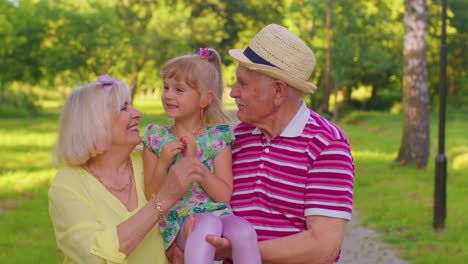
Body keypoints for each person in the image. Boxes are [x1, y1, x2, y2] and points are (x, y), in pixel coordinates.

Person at [205, 24, 355, 263]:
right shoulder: (238, 137)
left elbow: (322, 246)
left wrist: (237, 251)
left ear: (278, 91)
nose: (233, 92)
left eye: (242, 84)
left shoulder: (326, 144)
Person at [48, 74, 205, 263]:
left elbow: (191, 215)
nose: (137, 113)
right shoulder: (68, 184)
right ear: (95, 122)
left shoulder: (151, 158)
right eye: (124, 108)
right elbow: (92, 256)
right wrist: (164, 198)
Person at [142, 48, 261, 264]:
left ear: (205, 99)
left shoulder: (217, 138)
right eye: (166, 87)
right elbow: (150, 195)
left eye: (179, 90)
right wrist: (163, 164)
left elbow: (224, 195)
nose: (168, 95)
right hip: (180, 219)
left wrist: (197, 166)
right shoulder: (157, 138)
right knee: (206, 225)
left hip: (219, 213)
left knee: (244, 231)